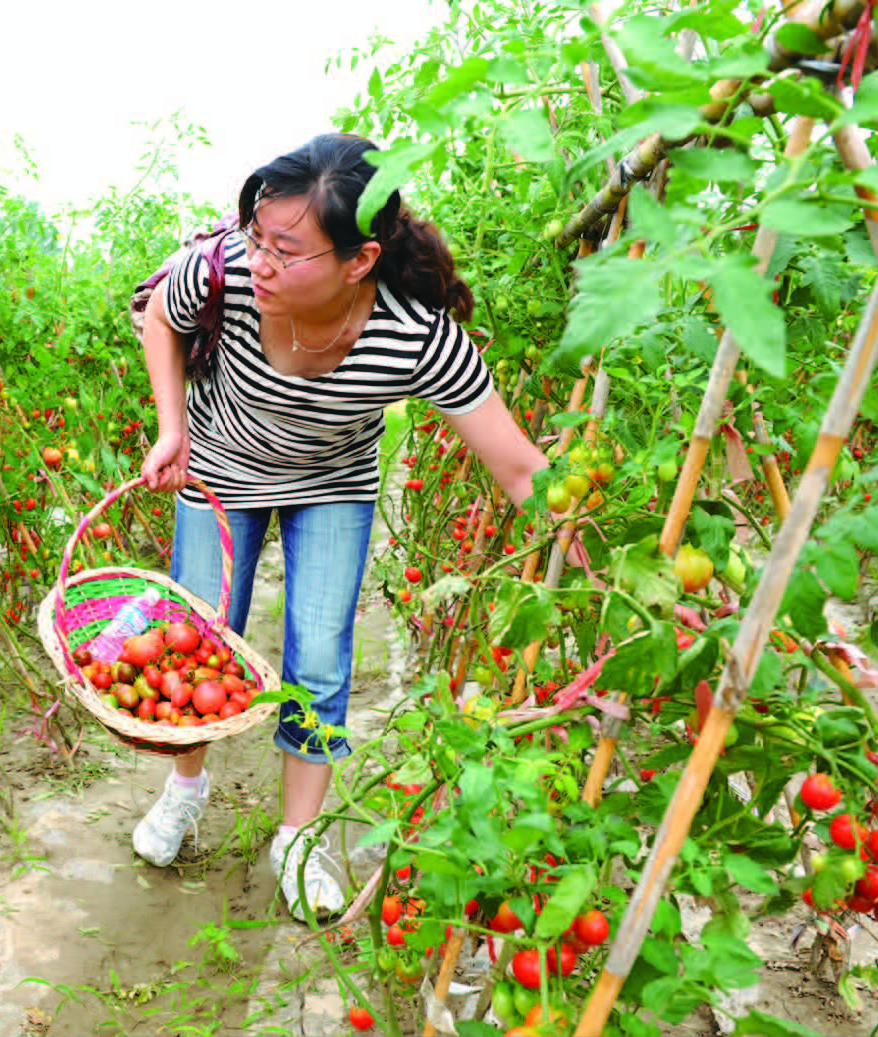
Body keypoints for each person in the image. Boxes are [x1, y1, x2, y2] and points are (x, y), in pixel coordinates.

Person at [130, 133, 553, 922]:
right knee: (195, 638)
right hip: (219, 471)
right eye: (256, 236)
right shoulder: (220, 271)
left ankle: (296, 836)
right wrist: (171, 426)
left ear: (357, 261)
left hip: (331, 484)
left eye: (284, 250)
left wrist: (612, 563)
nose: (258, 259)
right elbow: (160, 318)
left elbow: (522, 469)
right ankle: (185, 788)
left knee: (319, 655)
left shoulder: (414, 335)